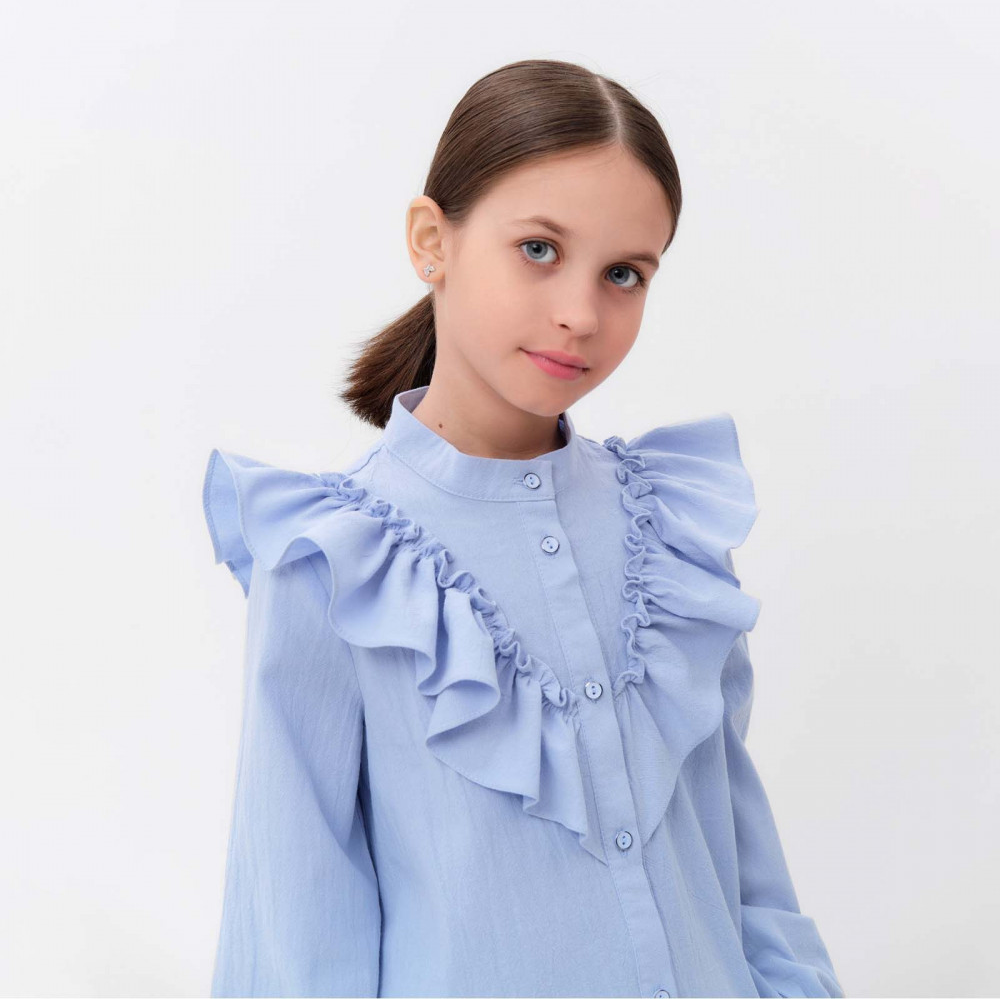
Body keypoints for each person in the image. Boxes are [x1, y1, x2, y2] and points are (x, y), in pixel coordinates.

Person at [201, 58, 845, 999]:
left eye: (624, 274)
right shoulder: (332, 562)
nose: (580, 314)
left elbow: (745, 869)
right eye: (539, 249)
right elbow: (293, 923)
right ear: (433, 241)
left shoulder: (671, 533)